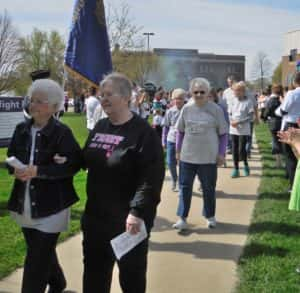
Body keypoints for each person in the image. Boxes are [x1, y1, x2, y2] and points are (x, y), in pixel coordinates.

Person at [82, 73, 165, 293]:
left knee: (131, 278)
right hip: (95, 218)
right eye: (102, 95)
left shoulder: (144, 133)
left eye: (110, 94)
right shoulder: (100, 126)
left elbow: (151, 178)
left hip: (128, 222)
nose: (104, 99)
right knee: (94, 276)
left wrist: (137, 211)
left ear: (127, 97)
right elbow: (85, 158)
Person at [6, 79, 82, 293]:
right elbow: (10, 157)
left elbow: (74, 165)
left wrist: (40, 171)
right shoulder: (21, 129)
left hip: (52, 207)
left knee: (35, 262)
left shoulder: (62, 133)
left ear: (54, 107)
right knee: (40, 251)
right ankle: (58, 282)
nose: (33, 105)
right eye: (32, 100)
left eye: (40, 102)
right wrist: (16, 169)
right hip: (25, 204)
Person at [173, 77, 228, 231]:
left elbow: (223, 134)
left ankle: (210, 216)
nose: (198, 95)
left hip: (208, 157)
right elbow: (180, 132)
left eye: (202, 92)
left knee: (209, 188)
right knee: (185, 187)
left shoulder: (216, 110)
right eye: (195, 92)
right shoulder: (186, 108)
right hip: (187, 156)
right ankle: (182, 218)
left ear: (208, 92)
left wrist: (221, 154)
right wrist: (177, 151)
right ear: (191, 92)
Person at [278, 72, 300, 190]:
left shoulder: (292, 93)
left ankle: (293, 186)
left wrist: (282, 102)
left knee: (290, 157)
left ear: (294, 81)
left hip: (292, 124)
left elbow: (283, 110)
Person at [228, 81, 254, 178]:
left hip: (243, 129)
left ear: (243, 91)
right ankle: (236, 169)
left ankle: (246, 165)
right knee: (234, 149)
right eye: (234, 91)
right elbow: (229, 113)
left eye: (238, 91)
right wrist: (231, 121)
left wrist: (238, 122)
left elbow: (251, 117)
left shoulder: (248, 102)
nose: (235, 93)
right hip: (233, 128)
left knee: (241, 149)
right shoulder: (232, 101)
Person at [162, 88, 185, 191]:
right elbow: (165, 126)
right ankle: (174, 179)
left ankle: (182, 181)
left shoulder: (187, 110)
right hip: (171, 139)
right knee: (170, 162)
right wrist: (163, 140)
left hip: (184, 141)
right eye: (175, 99)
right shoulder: (170, 111)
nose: (177, 101)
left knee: (183, 162)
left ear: (184, 99)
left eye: (180, 98)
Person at [263, 84, 283, 167]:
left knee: (275, 141)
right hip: (283, 122)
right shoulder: (282, 98)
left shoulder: (271, 100)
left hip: (274, 122)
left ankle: (278, 163)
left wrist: (264, 117)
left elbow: (267, 111)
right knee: (281, 141)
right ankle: (281, 161)